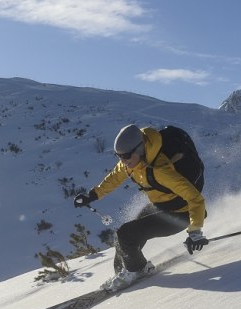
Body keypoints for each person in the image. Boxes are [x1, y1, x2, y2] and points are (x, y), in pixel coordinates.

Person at [73, 124, 209, 291]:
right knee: (122, 240)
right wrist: (92, 195)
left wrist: (195, 232)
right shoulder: (131, 163)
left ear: (140, 149)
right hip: (160, 206)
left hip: (180, 214)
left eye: (126, 156)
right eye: (119, 156)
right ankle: (125, 272)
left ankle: (138, 271)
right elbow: (114, 178)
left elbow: (195, 198)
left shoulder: (160, 170)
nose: (123, 161)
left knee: (126, 234)